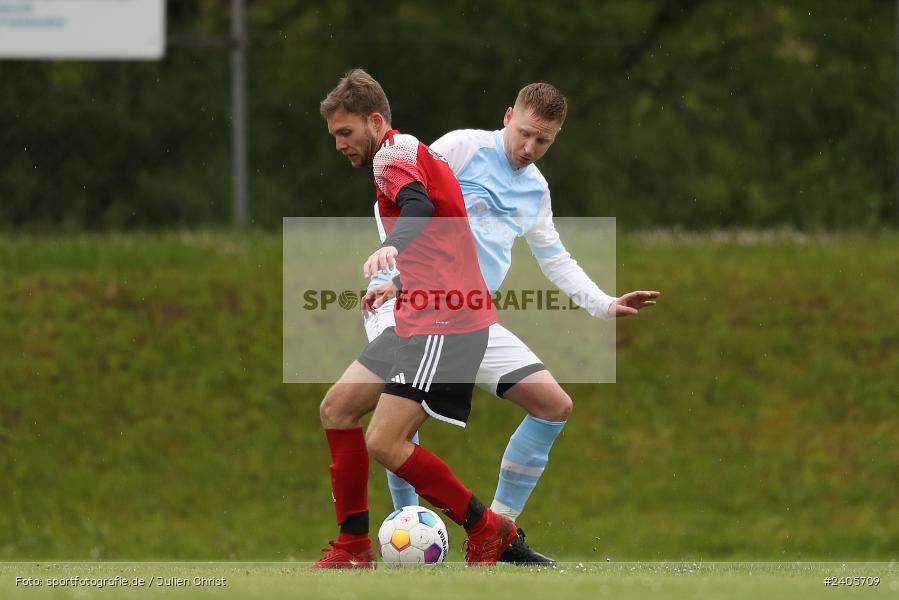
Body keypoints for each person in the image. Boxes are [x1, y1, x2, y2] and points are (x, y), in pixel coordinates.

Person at [363, 82, 660, 563]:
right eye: (524, 134)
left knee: (553, 405)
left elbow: (554, 257)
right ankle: (406, 532)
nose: (529, 149)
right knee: (396, 426)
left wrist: (605, 304)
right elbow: (399, 200)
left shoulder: (535, 188)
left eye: (543, 141)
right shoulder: (461, 148)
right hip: (411, 305)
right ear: (507, 116)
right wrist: (397, 277)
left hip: (470, 318)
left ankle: (498, 534)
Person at [312, 68, 518, 569]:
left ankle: (486, 530)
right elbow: (442, 238)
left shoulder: (391, 156)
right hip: (419, 310)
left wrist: (390, 249)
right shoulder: (406, 151)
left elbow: (419, 208)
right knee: (336, 409)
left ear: (375, 120)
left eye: (346, 132)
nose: (339, 144)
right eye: (334, 135)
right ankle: (353, 546)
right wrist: (398, 282)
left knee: (384, 440)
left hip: (444, 321)